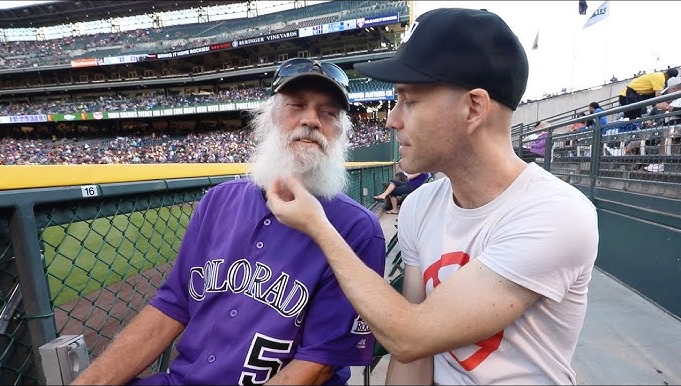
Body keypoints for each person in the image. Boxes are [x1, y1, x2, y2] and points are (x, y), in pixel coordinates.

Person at [266, 8, 598, 385]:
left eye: (409, 100)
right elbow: (415, 359)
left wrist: (319, 226)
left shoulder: (556, 214)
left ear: (473, 108)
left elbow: (408, 336)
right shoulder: (421, 205)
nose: (393, 119)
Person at [71, 58, 386, 385]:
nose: (311, 120)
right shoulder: (218, 201)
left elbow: (319, 365)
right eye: (296, 105)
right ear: (269, 117)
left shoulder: (357, 230)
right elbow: (171, 307)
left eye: (329, 113)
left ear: (341, 131)